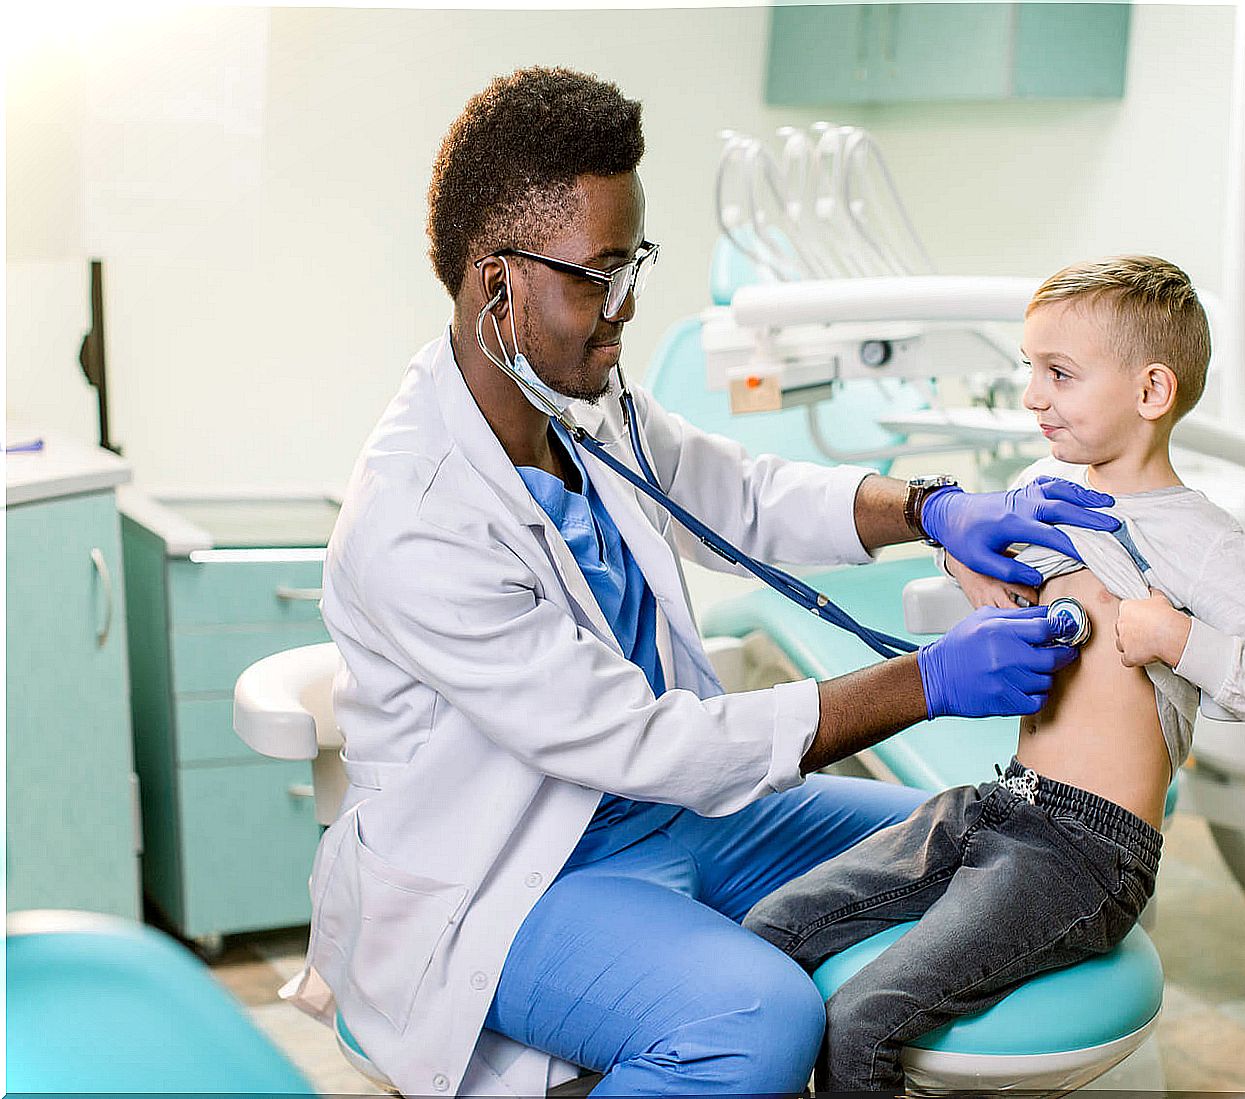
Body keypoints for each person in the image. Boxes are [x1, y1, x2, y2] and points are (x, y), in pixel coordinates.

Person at [286, 68, 1123, 1097]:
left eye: (632, 265)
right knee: (755, 1019)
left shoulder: (576, 400)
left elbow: (735, 494)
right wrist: (928, 681)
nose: (625, 309)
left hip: (679, 819)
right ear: (495, 283)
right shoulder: (416, 517)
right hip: (515, 879)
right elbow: (644, 740)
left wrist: (929, 509)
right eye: (598, 275)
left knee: (989, 838)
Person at [743, 255, 1245, 1091]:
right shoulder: (1041, 488)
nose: (1032, 396)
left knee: (863, 1023)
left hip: (1088, 851)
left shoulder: (1205, 545)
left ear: (1151, 391)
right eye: (1031, 370)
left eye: (1059, 373)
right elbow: (980, 551)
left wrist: (1177, 637)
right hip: (999, 803)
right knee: (766, 931)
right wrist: (967, 564)